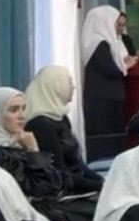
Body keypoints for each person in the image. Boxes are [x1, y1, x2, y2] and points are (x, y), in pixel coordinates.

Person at [0, 87, 98, 221]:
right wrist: (33, 150)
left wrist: (98, 185)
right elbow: (41, 188)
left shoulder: (17, 143)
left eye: (23, 109)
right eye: (13, 110)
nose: (22, 116)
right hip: (38, 215)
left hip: (55, 205)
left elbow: (58, 177)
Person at [23, 65, 103, 193]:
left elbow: (77, 163)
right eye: (69, 82)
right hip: (64, 190)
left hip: (78, 183)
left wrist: (102, 181)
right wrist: (98, 186)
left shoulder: (61, 118)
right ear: (55, 86)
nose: (73, 87)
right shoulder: (40, 125)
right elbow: (59, 172)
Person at [81, 5, 136, 140]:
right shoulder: (98, 43)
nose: (120, 28)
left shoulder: (109, 42)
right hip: (103, 97)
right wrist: (127, 65)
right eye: (117, 24)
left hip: (108, 96)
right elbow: (110, 69)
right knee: (105, 137)